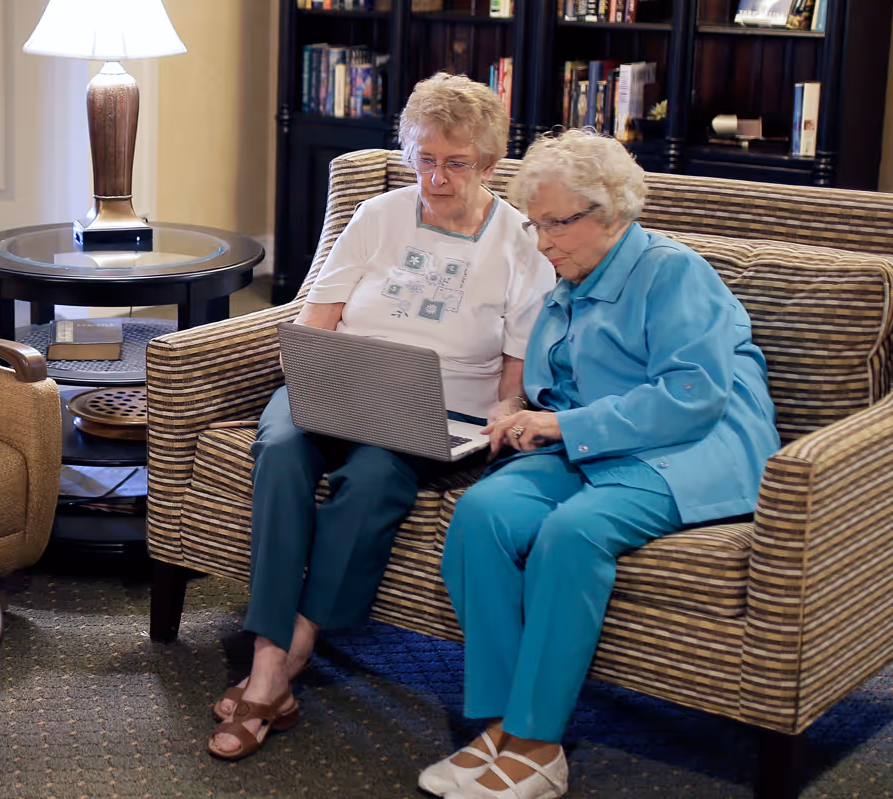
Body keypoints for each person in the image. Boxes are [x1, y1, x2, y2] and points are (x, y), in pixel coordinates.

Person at [422, 129, 780, 799]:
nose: (544, 240)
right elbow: (564, 381)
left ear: (612, 213)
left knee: (572, 533)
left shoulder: (672, 272)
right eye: (536, 224)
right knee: (482, 514)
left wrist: (558, 422)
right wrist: (519, 413)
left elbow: (693, 395)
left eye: (559, 223)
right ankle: (502, 727)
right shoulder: (567, 280)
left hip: (692, 453)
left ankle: (537, 743)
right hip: (597, 445)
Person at [207, 72, 555, 760]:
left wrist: (503, 415)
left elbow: (515, 375)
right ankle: (279, 664)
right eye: (424, 158)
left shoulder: (520, 241)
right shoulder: (378, 216)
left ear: (488, 164)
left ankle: (278, 661)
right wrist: (321, 370)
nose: (437, 176)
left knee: (371, 479)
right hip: (342, 384)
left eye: (456, 163)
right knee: (279, 447)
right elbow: (316, 317)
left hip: (442, 409)